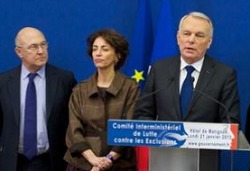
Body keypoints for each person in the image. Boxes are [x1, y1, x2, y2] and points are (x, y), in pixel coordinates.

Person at [133, 12, 240, 171]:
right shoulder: (159, 69)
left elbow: (231, 122)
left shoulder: (224, 74)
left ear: (209, 42)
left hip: (204, 161)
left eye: (199, 35)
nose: (191, 40)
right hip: (163, 158)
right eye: (186, 33)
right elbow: (143, 113)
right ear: (178, 37)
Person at [0, 27, 77, 171]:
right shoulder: (3, 82)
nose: (41, 51)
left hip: (51, 161)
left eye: (43, 45)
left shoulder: (64, 79)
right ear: (19, 52)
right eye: (33, 47)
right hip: (13, 162)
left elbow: (73, 121)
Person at [64, 29, 139, 171]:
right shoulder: (80, 89)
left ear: (117, 55)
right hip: (82, 163)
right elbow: (74, 131)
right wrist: (93, 161)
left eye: (104, 49)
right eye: (95, 49)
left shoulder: (130, 88)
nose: (98, 53)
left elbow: (129, 129)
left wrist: (108, 160)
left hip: (120, 164)